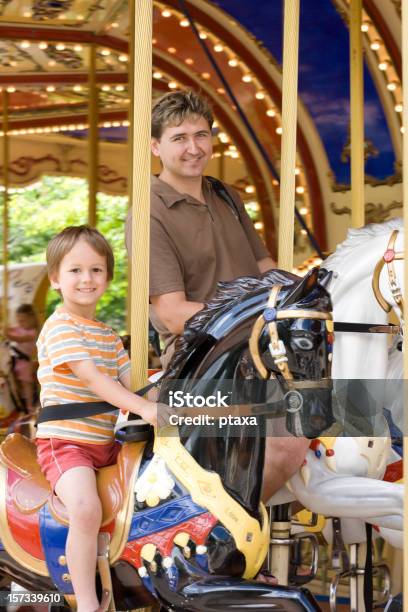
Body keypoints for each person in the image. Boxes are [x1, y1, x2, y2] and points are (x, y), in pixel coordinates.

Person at [125, 89, 310, 504]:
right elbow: (173, 314)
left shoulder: (225, 195)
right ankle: (219, 537)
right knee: (286, 442)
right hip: (202, 359)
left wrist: (311, 293)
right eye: (179, 138)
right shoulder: (149, 210)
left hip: (259, 350)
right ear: (155, 146)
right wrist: (261, 313)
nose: (194, 148)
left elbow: (266, 270)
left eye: (202, 135)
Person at [36, 225, 158, 612]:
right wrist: (145, 408)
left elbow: (135, 386)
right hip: (65, 444)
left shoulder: (106, 334)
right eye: (75, 270)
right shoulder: (60, 328)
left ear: (107, 276)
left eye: (96, 270)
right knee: (86, 509)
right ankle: (87, 601)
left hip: (107, 444)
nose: (86, 279)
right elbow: (93, 379)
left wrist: (164, 403)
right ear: (55, 278)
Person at [6, 303, 39, 412]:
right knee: (15, 382)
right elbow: (10, 328)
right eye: (18, 321)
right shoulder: (20, 327)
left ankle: (30, 406)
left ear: (31, 319)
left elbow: (19, 339)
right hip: (16, 359)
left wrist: (7, 334)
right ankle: (18, 402)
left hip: (25, 363)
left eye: (23, 321)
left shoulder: (32, 333)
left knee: (26, 384)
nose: (20, 324)